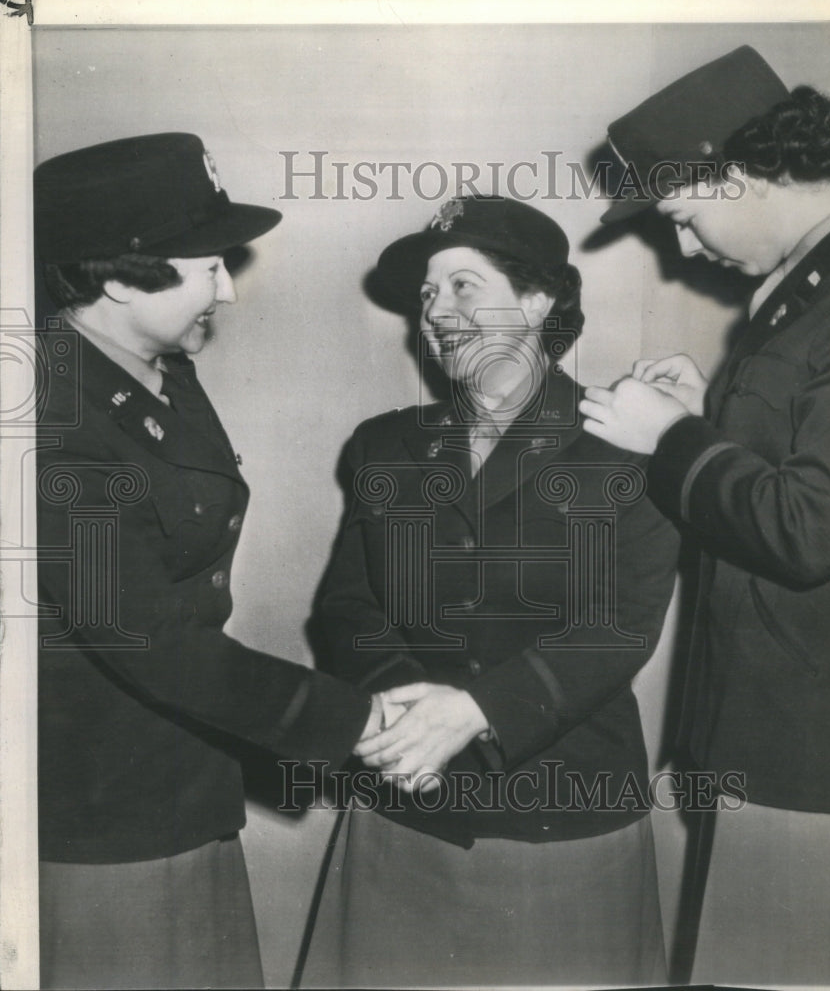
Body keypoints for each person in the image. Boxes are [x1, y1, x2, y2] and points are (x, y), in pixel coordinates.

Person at [33, 133, 385, 990]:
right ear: (120, 278)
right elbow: (151, 639)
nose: (229, 286)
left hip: (184, 779)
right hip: (103, 808)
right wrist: (352, 724)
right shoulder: (52, 424)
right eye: (209, 267)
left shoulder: (154, 368)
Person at [303, 195, 679, 987]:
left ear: (538, 300)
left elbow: (619, 627)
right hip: (406, 800)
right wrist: (405, 713)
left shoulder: (627, 438)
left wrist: (474, 714)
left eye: (464, 286)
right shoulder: (386, 443)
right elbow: (347, 608)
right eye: (428, 296)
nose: (437, 312)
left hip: (560, 813)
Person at [579, 46, 830, 985]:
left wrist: (670, 442)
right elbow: (794, 465)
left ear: (736, 176)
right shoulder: (816, 286)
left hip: (816, 751)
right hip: (770, 730)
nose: (687, 248)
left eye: (684, 217)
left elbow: (814, 527)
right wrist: (706, 418)